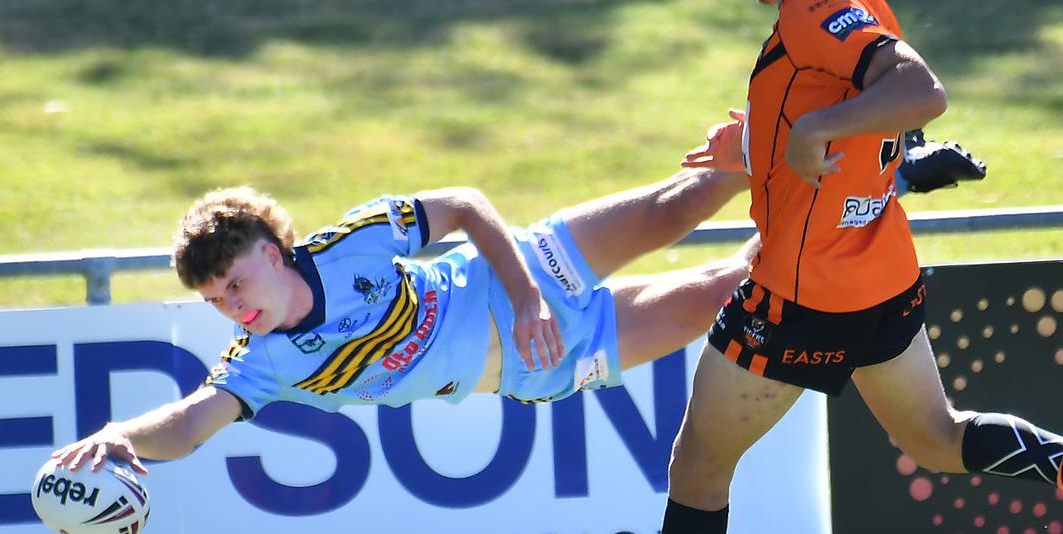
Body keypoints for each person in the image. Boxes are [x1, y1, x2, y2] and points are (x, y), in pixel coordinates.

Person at [554, 0, 1060, 534]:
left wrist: (813, 125)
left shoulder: (812, 12)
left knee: (699, 463)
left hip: (802, 297)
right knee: (939, 438)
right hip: (879, 279)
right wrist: (768, 138)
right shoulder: (855, 7)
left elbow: (920, 92)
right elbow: (863, 120)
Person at [52, 163, 757, 474]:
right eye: (216, 301)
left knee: (679, 207)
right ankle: (830, 231)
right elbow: (188, 424)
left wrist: (525, 298)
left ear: (273, 253)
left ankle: (788, 131)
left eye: (236, 284)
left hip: (529, 277)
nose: (233, 307)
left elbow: (464, 204)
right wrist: (121, 436)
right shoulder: (261, 364)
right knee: (728, 289)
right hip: (551, 364)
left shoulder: (349, 243)